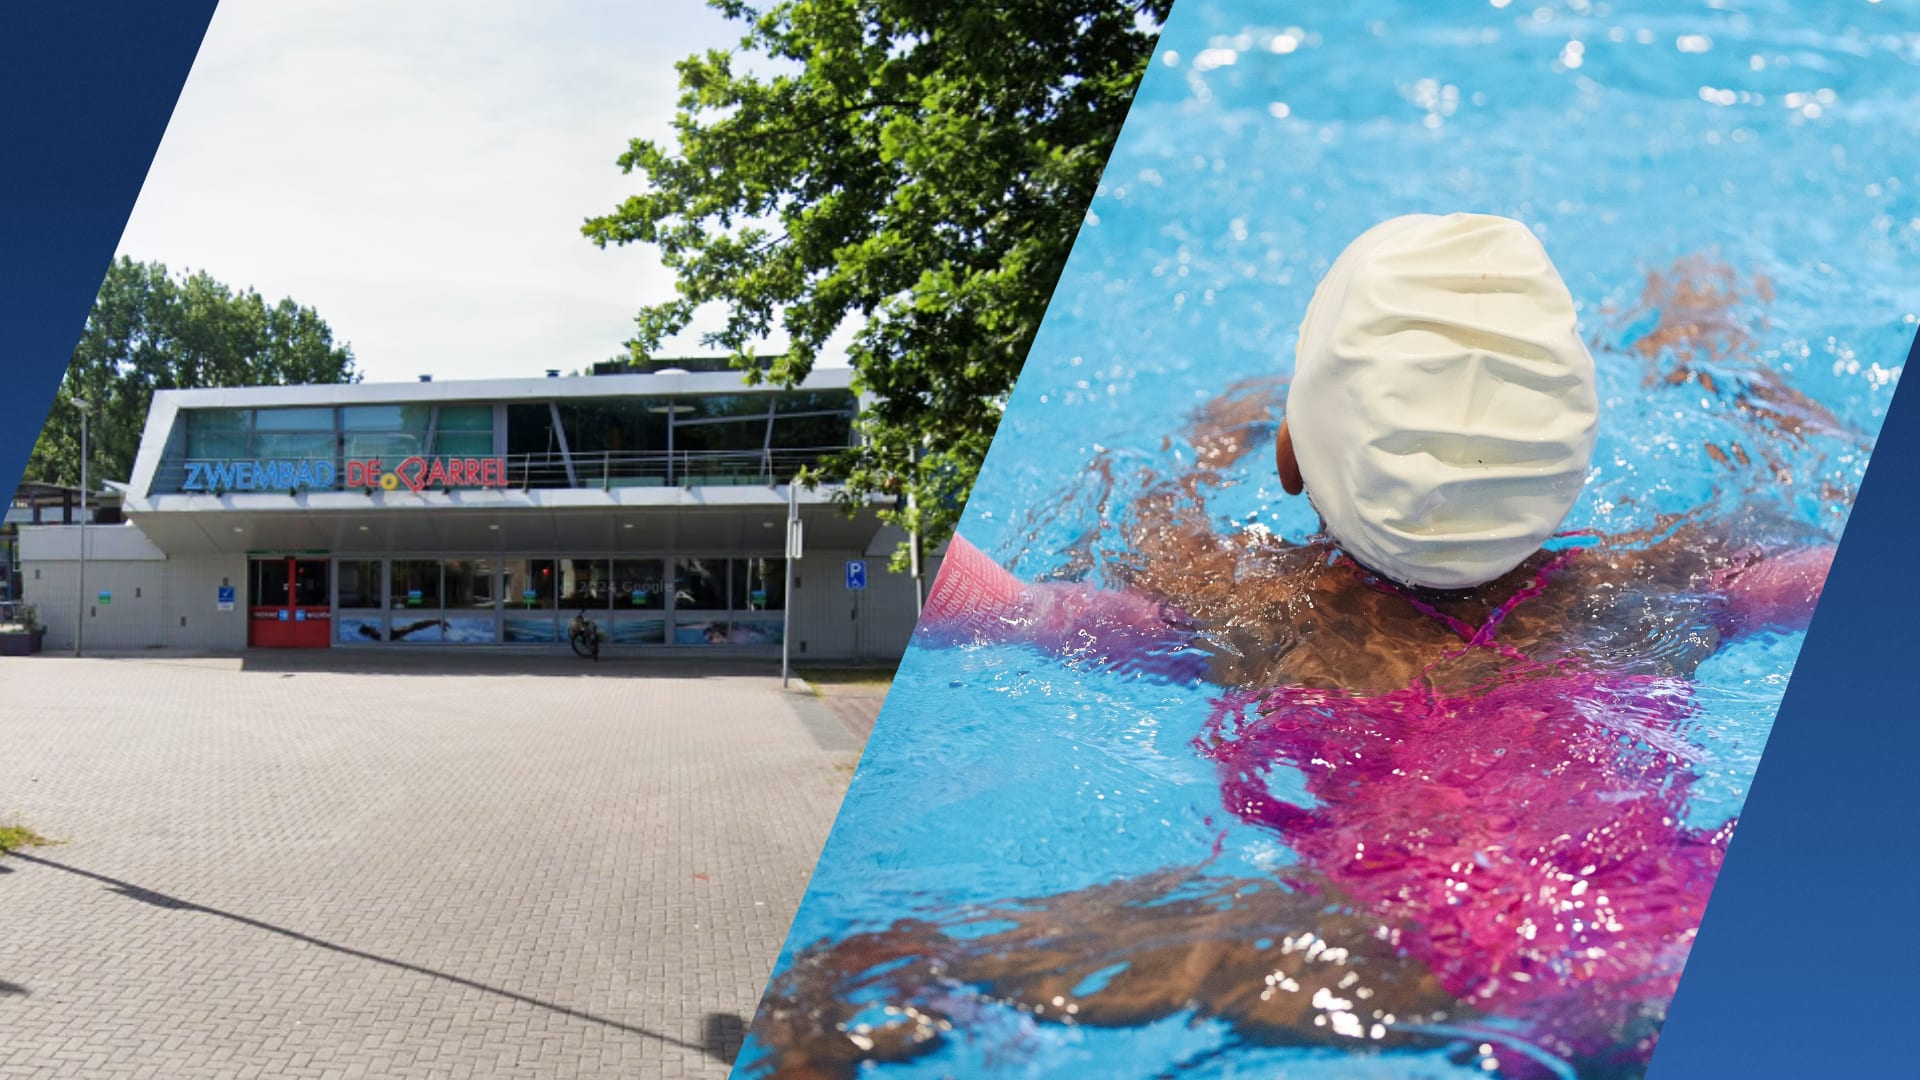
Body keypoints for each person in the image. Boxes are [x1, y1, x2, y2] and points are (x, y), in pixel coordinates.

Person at [739, 219, 1850, 1080]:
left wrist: (1188, 453)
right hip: (1679, 923)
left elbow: (1010, 609)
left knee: (862, 971)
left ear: (1288, 454)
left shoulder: (1255, 608)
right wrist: (1756, 384)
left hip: (1396, 947)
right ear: (1579, 451)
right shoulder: (1665, 585)